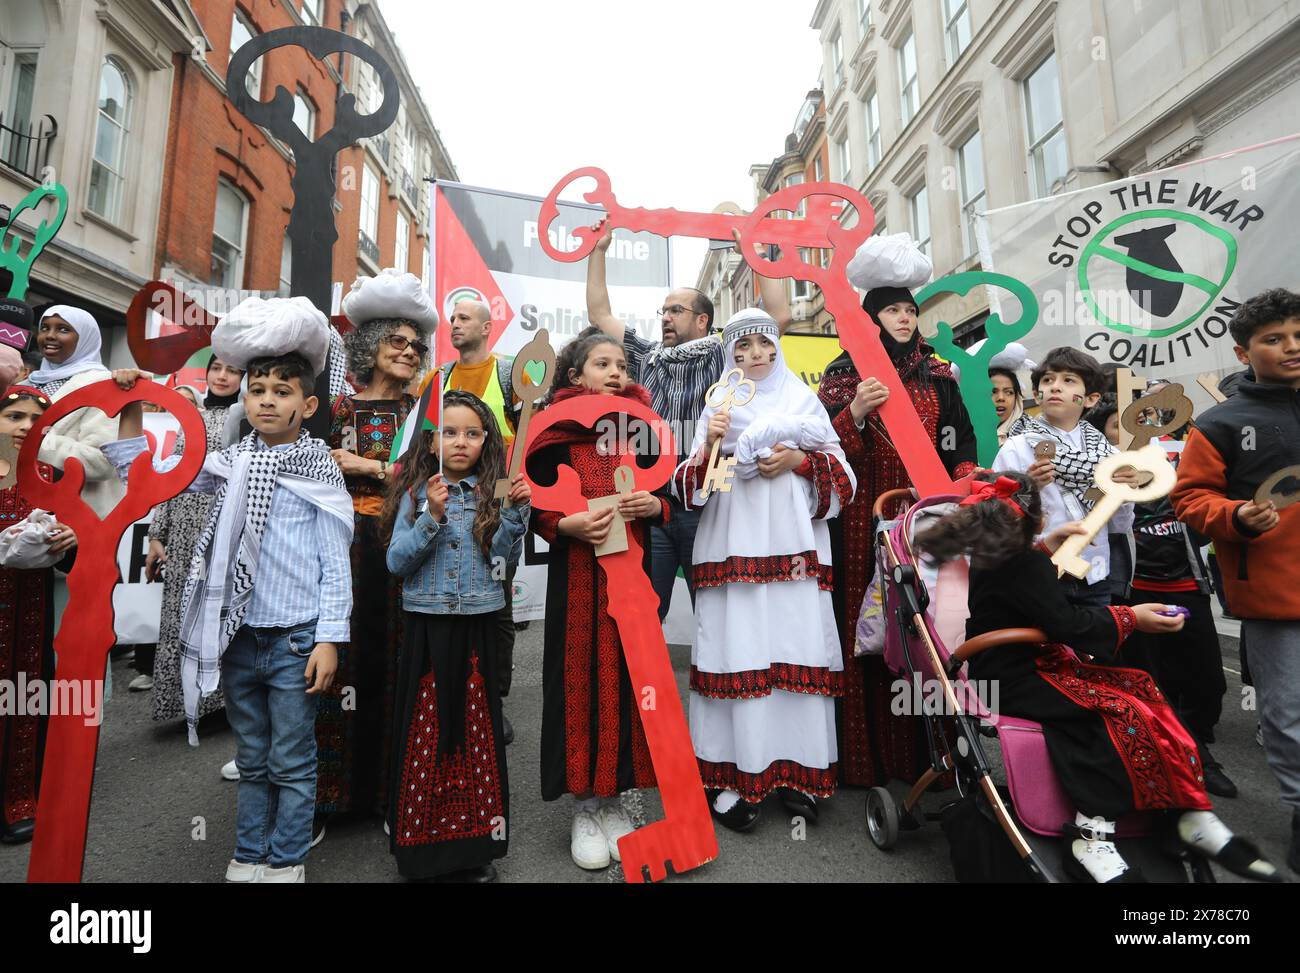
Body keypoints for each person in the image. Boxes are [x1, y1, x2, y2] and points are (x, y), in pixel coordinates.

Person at [914, 470, 1279, 884]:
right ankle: (1093, 834)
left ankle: (1187, 811)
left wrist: (1044, 552)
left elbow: (1026, 597)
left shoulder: (998, 556)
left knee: (1141, 689)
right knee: (1118, 709)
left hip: (1011, 667)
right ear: (1036, 518)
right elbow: (1064, 620)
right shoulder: (1025, 562)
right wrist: (1131, 617)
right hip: (1019, 676)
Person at [102, 297, 352, 883]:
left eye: (282, 391)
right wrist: (135, 404)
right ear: (244, 398)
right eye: (257, 388)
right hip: (238, 637)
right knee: (252, 755)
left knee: (292, 758)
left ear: (307, 404)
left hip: (295, 640)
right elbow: (140, 475)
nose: (267, 399)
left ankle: (287, 857)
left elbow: (334, 562)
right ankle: (249, 852)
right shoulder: (226, 463)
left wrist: (330, 639)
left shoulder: (320, 469)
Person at [672, 308, 854, 831]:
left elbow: (844, 481)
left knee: (794, 655)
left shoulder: (804, 401)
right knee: (739, 653)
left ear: (777, 348)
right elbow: (693, 489)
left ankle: (799, 773)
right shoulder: (718, 407)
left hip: (796, 555)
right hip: (733, 552)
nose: (754, 355)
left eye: (763, 344)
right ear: (729, 354)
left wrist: (798, 461)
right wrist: (712, 447)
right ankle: (732, 778)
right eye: (743, 346)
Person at [817, 241, 978, 790]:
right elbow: (828, 456)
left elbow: (961, 448)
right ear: (871, 319)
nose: (905, 319)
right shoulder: (843, 374)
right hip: (865, 519)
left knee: (932, 630)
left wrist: (961, 492)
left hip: (927, 516)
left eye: (910, 310)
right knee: (868, 632)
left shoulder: (939, 374)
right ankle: (867, 763)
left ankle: (938, 759)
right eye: (892, 311)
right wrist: (857, 411)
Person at [586, 222, 792, 621]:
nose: (665, 317)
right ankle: (643, 686)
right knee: (644, 612)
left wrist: (753, 251)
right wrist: (598, 250)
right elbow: (599, 314)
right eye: (663, 310)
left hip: (711, 502)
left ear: (702, 321)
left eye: (676, 310)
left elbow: (779, 315)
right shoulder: (645, 356)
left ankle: (714, 684)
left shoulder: (726, 355)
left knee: (716, 613)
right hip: (654, 503)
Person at [524, 329, 667, 871]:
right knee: (577, 679)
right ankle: (584, 807)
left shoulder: (645, 432)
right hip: (578, 581)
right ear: (575, 376)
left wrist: (656, 510)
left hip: (633, 580)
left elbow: (668, 492)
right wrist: (565, 523)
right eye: (601, 363)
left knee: (631, 681)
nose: (615, 372)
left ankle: (614, 801)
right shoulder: (551, 433)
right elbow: (532, 503)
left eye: (622, 364)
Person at [1172, 287, 1300, 875]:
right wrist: (1235, 516)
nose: (1291, 348)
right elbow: (1190, 500)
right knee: (1287, 713)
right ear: (1244, 352)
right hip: (1276, 597)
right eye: (1274, 339)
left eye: (1298, 336)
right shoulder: (1220, 422)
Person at [382, 391, 531, 883]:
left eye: (471, 432)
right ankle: (420, 850)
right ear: (432, 441)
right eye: (449, 432)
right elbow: (396, 562)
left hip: (477, 628)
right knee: (426, 732)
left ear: (486, 439)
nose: (460, 441)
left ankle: (471, 849)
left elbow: (502, 563)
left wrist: (514, 516)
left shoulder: (496, 493)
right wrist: (431, 516)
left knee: (474, 736)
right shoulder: (415, 494)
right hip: (427, 627)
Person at [312, 270, 435, 843]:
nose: (409, 352)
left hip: (404, 546)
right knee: (341, 664)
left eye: (416, 345)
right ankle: (334, 797)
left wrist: (365, 465)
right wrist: (358, 467)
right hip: (342, 548)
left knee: (399, 662)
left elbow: (427, 475)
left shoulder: (425, 413)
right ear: (371, 346)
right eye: (397, 342)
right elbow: (311, 463)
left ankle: (393, 792)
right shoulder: (336, 407)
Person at [418, 295, 530, 743]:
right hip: (448, 504)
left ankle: (492, 701)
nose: (455, 325)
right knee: (446, 600)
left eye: (464, 318)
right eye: (452, 318)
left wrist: (512, 499)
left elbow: (528, 434)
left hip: (495, 506)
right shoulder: (436, 378)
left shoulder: (510, 375)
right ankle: (444, 698)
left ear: (487, 327)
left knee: (497, 607)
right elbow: (422, 443)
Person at [140, 357, 245, 720]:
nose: (221, 375)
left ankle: (221, 703)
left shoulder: (249, 419)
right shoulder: (191, 417)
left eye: (231, 370)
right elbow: (172, 476)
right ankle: (186, 700)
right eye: (216, 368)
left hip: (226, 528)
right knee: (182, 611)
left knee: (220, 610)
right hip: (185, 530)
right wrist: (157, 535)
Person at [995, 346, 1134, 607]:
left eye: (1068, 380)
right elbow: (997, 517)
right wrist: (1028, 487)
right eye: (1048, 380)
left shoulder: (1108, 453)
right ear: (1037, 395)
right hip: (1040, 575)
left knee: (1096, 646)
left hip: (1095, 574)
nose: (1055, 387)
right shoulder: (1017, 447)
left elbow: (1118, 527)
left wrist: (1123, 495)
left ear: (1090, 399)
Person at [0, 386, 77, 845]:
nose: (25, 427)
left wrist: (69, 538)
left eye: (34, 420)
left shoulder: (51, 475)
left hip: (28, 615)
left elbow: (76, 548)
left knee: (23, 702)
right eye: (14, 417)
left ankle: (18, 802)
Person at [29, 306, 123, 517]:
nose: (50, 336)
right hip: (18, 511)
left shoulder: (102, 387)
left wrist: (35, 441)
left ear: (85, 339)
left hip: (69, 520)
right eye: (44, 328)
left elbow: (101, 462)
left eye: (63, 329)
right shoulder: (28, 383)